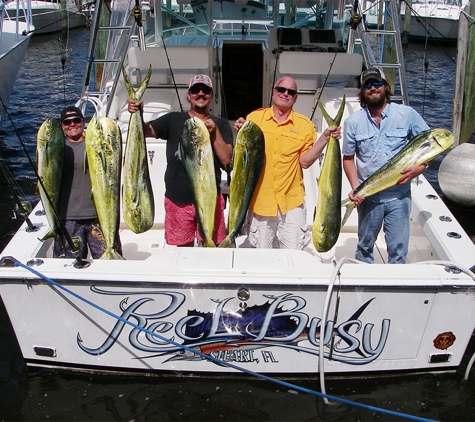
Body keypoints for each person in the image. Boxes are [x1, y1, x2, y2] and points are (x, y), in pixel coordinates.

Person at [234, 76, 341, 249]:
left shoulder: (305, 125)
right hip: (261, 199)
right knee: (261, 256)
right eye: (281, 89)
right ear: (273, 92)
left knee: (293, 254)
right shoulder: (254, 118)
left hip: (291, 200)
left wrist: (325, 138)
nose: (285, 94)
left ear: (296, 97)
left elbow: (305, 162)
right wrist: (241, 129)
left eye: (291, 92)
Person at [128, 74, 233, 247]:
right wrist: (137, 113)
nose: (200, 94)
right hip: (178, 199)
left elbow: (226, 158)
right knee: (182, 249)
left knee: (212, 246)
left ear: (212, 95)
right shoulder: (172, 119)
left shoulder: (220, 124)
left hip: (209, 200)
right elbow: (145, 131)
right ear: (188, 95)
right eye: (195, 90)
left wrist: (214, 132)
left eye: (205, 90)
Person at [342, 67, 430, 264]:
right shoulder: (354, 121)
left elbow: (429, 145)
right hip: (368, 198)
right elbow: (348, 158)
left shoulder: (407, 114)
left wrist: (420, 168)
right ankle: (362, 287)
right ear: (362, 91)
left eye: (376, 83)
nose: (373, 88)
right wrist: (356, 187)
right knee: (364, 247)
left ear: (386, 86)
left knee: (398, 252)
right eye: (367, 85)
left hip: (399, 196)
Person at [53, 106, 110, 259]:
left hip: (98, 216)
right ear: (62, 126)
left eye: (76, 120)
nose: (72, 124)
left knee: (108, 260)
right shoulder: (57, 149)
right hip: (68, 217)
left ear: (83, 122)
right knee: (69, 264)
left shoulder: (96, 144)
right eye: (67, 122)